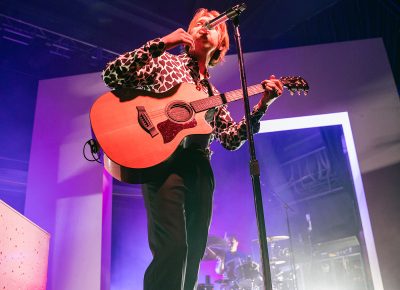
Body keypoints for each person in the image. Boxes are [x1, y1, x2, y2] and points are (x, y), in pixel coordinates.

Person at [102, 7, 283, 290]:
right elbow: (112, 74)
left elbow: (231, 139)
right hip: (164, 164)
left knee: (195, 251)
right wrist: (163, 42)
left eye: (211, 24)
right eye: (199, 22)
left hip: (199, 167)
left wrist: (261, 106)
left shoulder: (213, 94)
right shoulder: (165, 64)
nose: (204, 25)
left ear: (221, 42)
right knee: (173, 248)